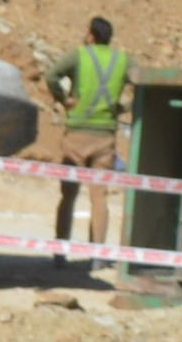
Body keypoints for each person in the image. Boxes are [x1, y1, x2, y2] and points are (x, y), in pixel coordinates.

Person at [48, 14, 131, 257]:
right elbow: (144, 82)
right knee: (99, 197)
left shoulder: (79, 55)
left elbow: (51, 75)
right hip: (105, 135)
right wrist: (123, 107)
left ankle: (60, 253)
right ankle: (96, 256)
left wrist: (64, 100)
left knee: (68, 195)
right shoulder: (122, 60)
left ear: (91, 35)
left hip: (76, 133)